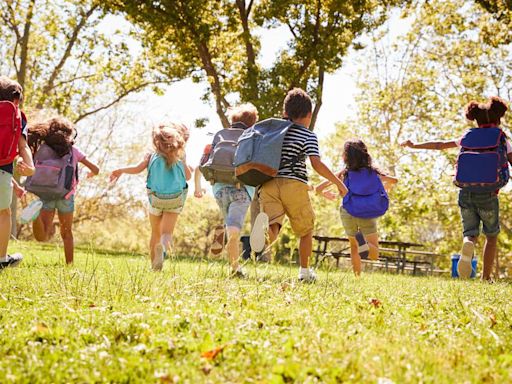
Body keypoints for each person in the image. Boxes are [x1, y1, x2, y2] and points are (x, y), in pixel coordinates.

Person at [401, 96, 510, 281]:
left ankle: (468, 244)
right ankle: (485, 278)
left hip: (465, 193)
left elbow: (440, 145)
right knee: (491, 236)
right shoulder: (500, 138)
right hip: (489, 195)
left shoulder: (467, 136)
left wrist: (414, 145)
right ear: (498, 118)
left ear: (475, 119)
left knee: (470, 233)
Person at [250, 88, 347, 282]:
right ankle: (304, 272)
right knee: (305, 230)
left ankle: (263, 233)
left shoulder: (272, 132)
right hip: (294, 184)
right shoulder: (308, 135)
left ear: (285, 112)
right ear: (309, 115)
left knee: (274, 224)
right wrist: (338, 183)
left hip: (268, 183)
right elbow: (316, 164)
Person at [110, 123, 192, 271]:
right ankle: (163, 249)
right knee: (166, 233)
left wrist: (120, 170)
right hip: (175, 199)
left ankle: (153, 265)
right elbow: (187, 177)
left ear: (156, 140)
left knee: (155, 232)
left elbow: (137, 169)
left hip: (155, 199)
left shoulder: (150, 154)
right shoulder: (181, 155)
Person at [316, 139, 397, 276]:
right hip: (367, 211)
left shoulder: (344, 173)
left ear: (346, 156)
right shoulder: (373, 172)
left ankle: (357, 277)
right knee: (374, 253)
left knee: (354, 246)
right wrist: (385, 188)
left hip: (348, 211)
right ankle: (363, 242)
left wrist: (325, 194)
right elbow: (394, 180)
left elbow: (319, 188)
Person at [194, 103, 258, 277]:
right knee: (235, 228)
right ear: (253, 122)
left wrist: (198, 187)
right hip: (242, 189)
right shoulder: (253, 136)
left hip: (219, 188)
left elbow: (202, 163)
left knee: (230, 223)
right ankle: (235, 266)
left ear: (233, 121)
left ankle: (231, 258)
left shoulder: (220, 135)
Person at [27, 117, 99, 264]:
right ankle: (69, 265)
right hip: (66, 196)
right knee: (66, 233)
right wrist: (92, 173)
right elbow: (96, 169)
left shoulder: (42, 148)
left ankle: (35, 217)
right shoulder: (72, 150)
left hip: (45, 194)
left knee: (42, 237)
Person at [0, 76, 35, 269]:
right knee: (3, 213)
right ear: (16, 99)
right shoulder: (18, 116)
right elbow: (23, 146)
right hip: (3, 169)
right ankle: (2, 259)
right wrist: (31, 166)